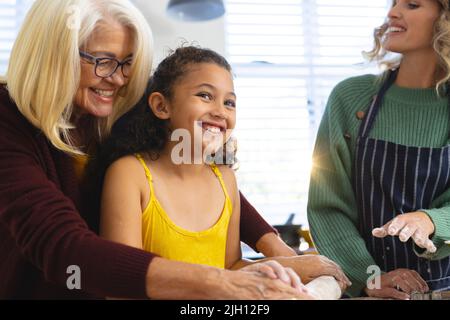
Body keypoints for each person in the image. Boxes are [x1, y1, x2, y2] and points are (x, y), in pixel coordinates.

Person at [0, 0, 347, 299]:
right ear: (53, 55)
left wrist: (276, 248)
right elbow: (61, 246)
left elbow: (204, 178)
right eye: (104, 61)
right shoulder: (8, 122)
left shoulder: (107, 109)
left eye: (127, 63)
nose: (119, 79)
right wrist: (227, 283)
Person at [308, 0, 450, 300]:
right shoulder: (350, 99)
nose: (392, 12)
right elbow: (328, 206)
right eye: (394, 3)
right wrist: (369, 277)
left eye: (411, 4)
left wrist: (431, 221)